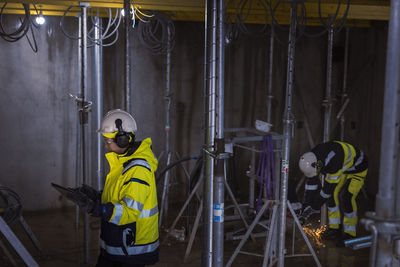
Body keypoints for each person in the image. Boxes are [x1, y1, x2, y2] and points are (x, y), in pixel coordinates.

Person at [76, 109, 159, 267]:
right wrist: (97, 197)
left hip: (131, 250)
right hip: (117, 244)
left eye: (108, 141)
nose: (106, 147)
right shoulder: (123, 162)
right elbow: (118, 195)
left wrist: (98, 209)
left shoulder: (138, 170)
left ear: (123, 139)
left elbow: (129, 211)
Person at [298, 140, 368, 246]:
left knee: (346, 197)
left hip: (357, 168)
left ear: (318, 166)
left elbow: (327, 191)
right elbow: (311, 182)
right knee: (332, 198)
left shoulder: (333, 163)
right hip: (344, 167)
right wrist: (306, 205)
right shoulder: (313, 157)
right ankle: (335, 229)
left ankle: (350, 233)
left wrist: (314, 207)